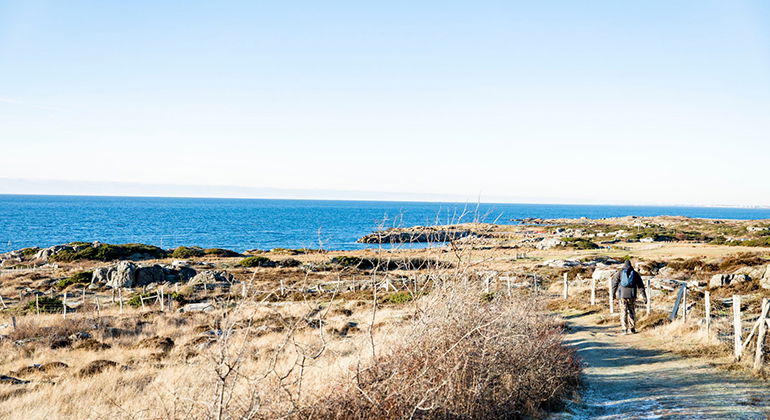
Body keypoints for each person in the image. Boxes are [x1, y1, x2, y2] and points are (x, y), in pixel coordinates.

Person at [611, 260, 647, 334]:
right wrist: (644, 296)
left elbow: (614, 284)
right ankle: (632, 328)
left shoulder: (620, 273)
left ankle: (624, 329)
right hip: (632, 295)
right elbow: (641, 286)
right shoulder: (635, 274)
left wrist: (613, 294)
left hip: (622, 295)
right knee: (632, 311)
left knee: (623, 311)